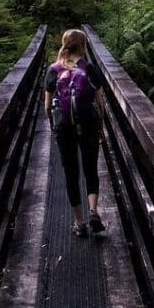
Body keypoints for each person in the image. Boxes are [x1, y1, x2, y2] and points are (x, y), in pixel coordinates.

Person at [44, 29, 107, 237]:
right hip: (88, 123)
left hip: (64, 127)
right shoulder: (89, 69)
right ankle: (93, 211)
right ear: (83, 45)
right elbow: (99, 103)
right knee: (90, 168)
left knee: (71, 173)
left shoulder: (53, 70)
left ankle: (79, 223)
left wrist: (55, 125)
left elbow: (47, 106)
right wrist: (100, 126)